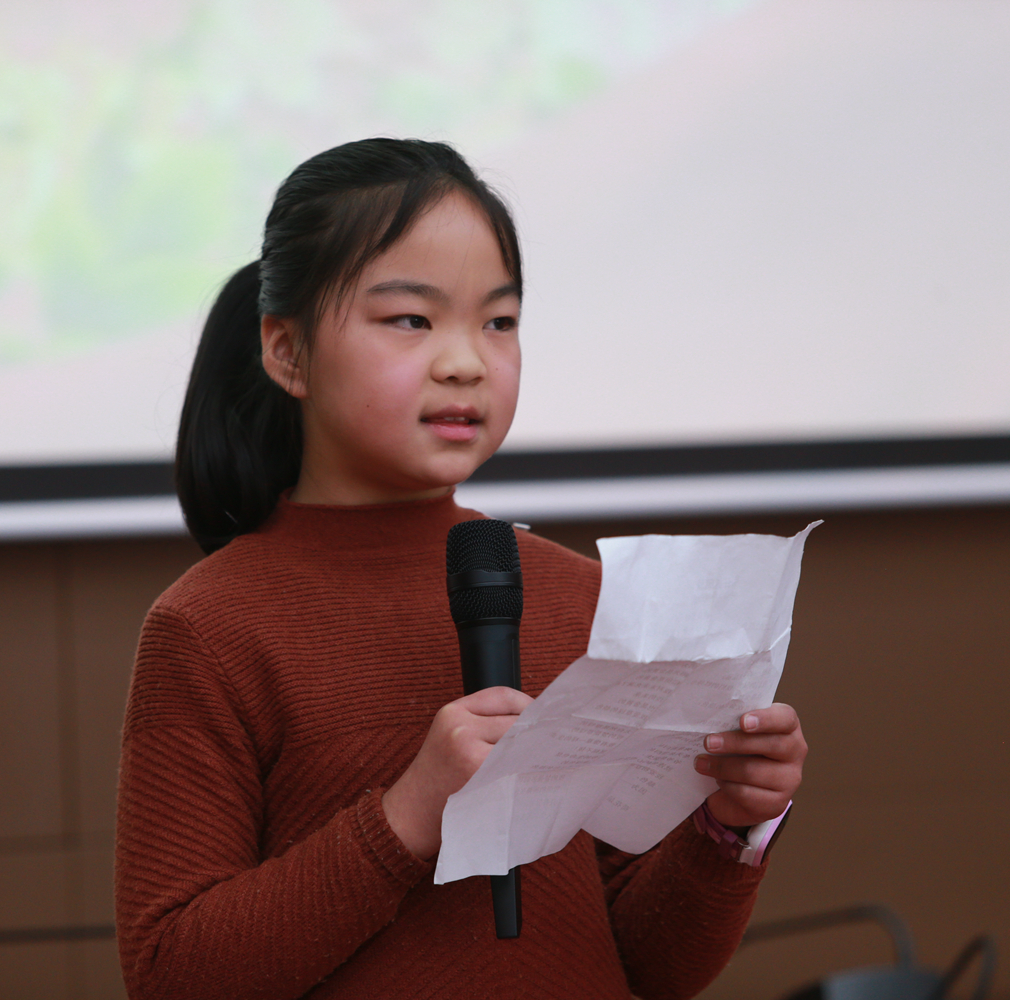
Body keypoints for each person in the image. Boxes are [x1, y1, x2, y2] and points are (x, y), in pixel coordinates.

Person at [115, 137, 807, 1000]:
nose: (466, 361)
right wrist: (407, 816)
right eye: (411, 319)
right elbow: (172, 975)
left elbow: (648, 967)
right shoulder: (210, 627)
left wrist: (727, 827)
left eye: (499, 322)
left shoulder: (577, 597)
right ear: (287, 352)